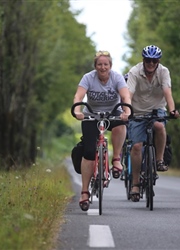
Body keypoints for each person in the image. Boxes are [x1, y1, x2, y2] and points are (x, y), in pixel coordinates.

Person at [73, 50, 131, 211]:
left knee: (120, 125)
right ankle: (85, 191)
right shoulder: (88, 78)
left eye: (106, 64)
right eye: (99, 64)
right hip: (92, 115)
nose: (103, 67)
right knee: (89, 153)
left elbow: (125, 97)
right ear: (95, 66)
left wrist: (127, 112)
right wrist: (78, 110)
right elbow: (78, 96)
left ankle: (116, 159)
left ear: (110, 66)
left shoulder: (117, 78)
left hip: (113, 113)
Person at [126, 45, 180, 202]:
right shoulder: (134, 72)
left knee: (159, 126)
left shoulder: (164, 71)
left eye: (154, 61)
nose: (151, 63)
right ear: (143, 60)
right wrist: (127, 111)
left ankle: (159, 160)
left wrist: (172, 110)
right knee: (136, 147)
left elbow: (167, 93)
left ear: (158, 61)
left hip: (157, 110)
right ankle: (135, 184)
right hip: (137, 111)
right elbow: (128, 95)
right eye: (148, 60)